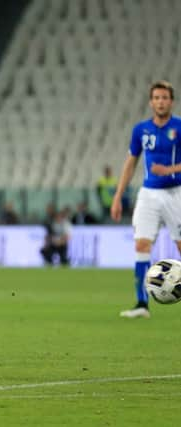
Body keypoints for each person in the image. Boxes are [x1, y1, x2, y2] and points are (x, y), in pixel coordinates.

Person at [111, 80, 181, 319]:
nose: (161, 102)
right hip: (148, 194)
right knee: (141, 245)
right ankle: (142, 304)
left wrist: (170, 169)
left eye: (165, 98)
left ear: (171, 101)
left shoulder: (179, 127)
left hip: (176, 193)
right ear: (151, 102)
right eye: (157, 98)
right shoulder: (140, 130)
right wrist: (118, 196)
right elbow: (130, 163)